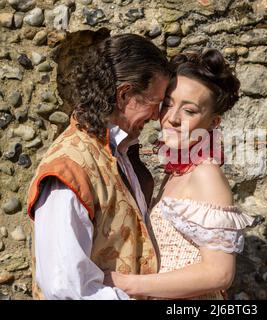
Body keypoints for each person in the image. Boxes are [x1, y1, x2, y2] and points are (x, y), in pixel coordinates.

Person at [26, 34, 170, 300]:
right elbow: (66, 288)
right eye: (154, 102)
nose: (156, 116)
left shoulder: (117, 153)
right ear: (125, 94)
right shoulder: (68, 168)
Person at [104, 49, 255, 299]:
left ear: (214, 122)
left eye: (190, 110)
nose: (172, 118)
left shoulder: (206, 175)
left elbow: (219, 274)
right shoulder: (176, 171)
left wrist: (127, 284)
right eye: (168, 104)